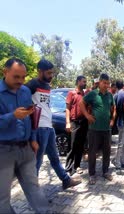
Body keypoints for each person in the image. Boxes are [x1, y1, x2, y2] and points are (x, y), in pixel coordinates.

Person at [0, 58, 49, 213]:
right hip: (3, 151)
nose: (21, 81)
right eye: (16, 77)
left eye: (23, 77)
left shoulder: (25, 91)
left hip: (26, 148)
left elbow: (30, 116)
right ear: (5, 72)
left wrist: (33, 139)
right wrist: (12, 116)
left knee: (34, 188)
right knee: (2, 197)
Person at [25, 59, 81, 190]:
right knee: (37, 161)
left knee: (54, 157)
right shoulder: (31, 85)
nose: (51, 76)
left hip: (49, 127)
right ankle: (34, 191)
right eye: (49, 73)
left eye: (52, 73)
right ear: (40, 71)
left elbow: (45, 106)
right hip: (39, 127)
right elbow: (25, 103)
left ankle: (66, 180)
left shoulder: (47, 86)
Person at [80, 73, 115, 185]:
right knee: (92, 152)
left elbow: (113, 109)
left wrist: (112, 119)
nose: (106, 85)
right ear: (99, 82)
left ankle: (105, 171)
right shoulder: (93, 94)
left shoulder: (110, 95)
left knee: (107, 152)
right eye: (104, 83)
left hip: (106, 129)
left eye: (108, 83)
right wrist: (87, 116)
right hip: (94, 129)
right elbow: (81, 103)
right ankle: (91, 174)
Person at [65, 75, 88, 175]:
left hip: (83, 122)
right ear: (78, 82)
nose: (85, 83)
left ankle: (77, 166)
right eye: (83, 81)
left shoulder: (85, 94)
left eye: (85, 81)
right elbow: (67, 109)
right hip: (74, 122)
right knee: (72, 146)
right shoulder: (72, 93)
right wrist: (68, 123)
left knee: (80, 145)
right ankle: (68, 168)